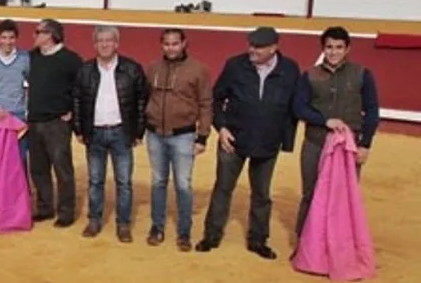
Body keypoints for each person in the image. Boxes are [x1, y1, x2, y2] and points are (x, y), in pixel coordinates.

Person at [197, 27, 301, 259]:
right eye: (251, 44)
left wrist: (286, 141)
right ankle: (211, 235)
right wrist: (221, 128)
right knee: (223, 189)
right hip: (233, 139)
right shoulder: (235, 65)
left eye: (258, 46)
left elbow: (294, 107)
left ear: (274, 48)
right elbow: (216, 97)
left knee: (261, 193)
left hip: (267, 141)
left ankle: (258, 240)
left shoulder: (290, 70)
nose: (252, 50)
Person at [292, 26, 380, 237]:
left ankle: (338, 243)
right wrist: (324, 120)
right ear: (323, 49)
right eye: (329, 47)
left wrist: (365, 144)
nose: (333, 52)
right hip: (316, 142)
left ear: (347, 49)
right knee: (311, 193)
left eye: (338, 47)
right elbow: (298, 107)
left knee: (343, 196)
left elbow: (372, 110)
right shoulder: (310, 75)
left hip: (347, 146)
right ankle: (305, 242)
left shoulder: (362, 74)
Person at [72, 25, 148, 242]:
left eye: (109, 40)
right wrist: (78, 129)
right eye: (100, 41)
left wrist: (138, 131)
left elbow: (142, 101)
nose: (104, 44)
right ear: (95, 44)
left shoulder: (132, 69)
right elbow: (77, 100)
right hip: (94, 132)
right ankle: (94, 220)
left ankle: (123, 224)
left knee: (124, 181)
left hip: (121, 132)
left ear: (117, 43)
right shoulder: (85, 70)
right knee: (95, 180)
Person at [144, 28, 212, 250]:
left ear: (184, 43)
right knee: (157, 182)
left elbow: (205, 104)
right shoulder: (153, 68)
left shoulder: (199, 69)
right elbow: (146, 97)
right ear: (161, 45)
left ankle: (184, 232)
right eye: (166, 44)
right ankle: (157, 227)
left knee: (183, 184)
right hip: (155, 134)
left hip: (183, 135)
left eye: (175, 43)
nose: (170, 48)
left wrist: (202, 136)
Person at [27, 19, 81, 227]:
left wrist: (73, 114)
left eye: (38, 32)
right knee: (38, 168)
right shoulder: (32, 58)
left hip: (57, 123)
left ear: (50, 35)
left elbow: (82, 89)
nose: (34, 36)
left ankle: (66, 212)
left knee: (62, 168)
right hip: (34, 120)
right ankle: (44, 208)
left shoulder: (70, 60)